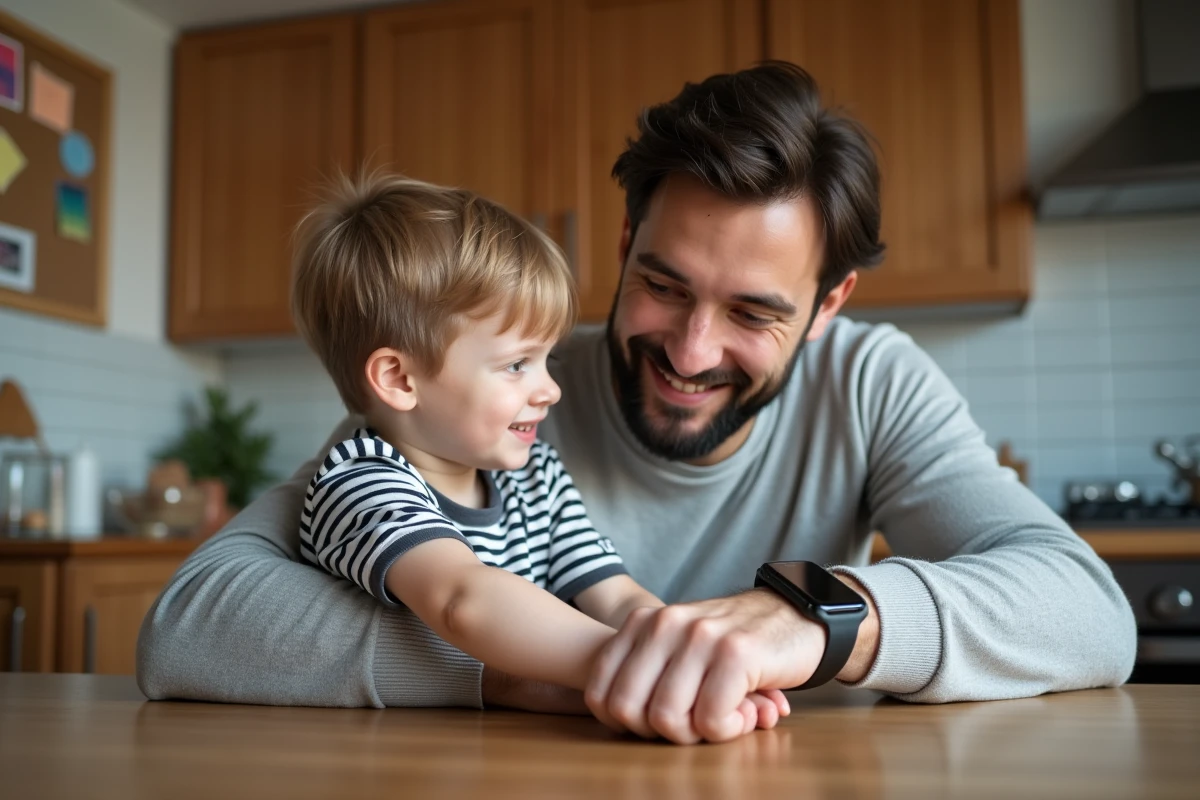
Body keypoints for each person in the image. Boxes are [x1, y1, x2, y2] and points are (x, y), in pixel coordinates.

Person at [138, 62, 1136, 745]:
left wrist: (817, 624)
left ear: (830, 304)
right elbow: (189, 622)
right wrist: (524, 673)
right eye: (664, 284)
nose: (692, 350)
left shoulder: (873, 382)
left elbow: (1089, 610)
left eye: (753, 309)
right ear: (622, 248)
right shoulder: (472, 398)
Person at [286, 174, 785, 737]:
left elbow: (615, 595)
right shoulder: (360, 482)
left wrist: (686, 657)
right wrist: (633, 670)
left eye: (548, 360)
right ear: (400, 378)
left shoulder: (537, 477)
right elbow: (462, 600)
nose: (551, 390)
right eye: (517, 364)